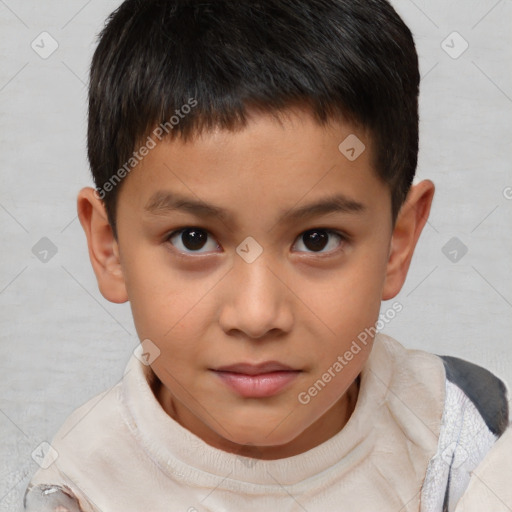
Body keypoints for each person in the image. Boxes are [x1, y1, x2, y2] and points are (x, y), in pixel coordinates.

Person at [22, 0, 511, 511]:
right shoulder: (82, 490)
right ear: (110, 248)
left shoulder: (464, 436)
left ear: (398, 241)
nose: (257, 316)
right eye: (193, 239)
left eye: (317, 240)